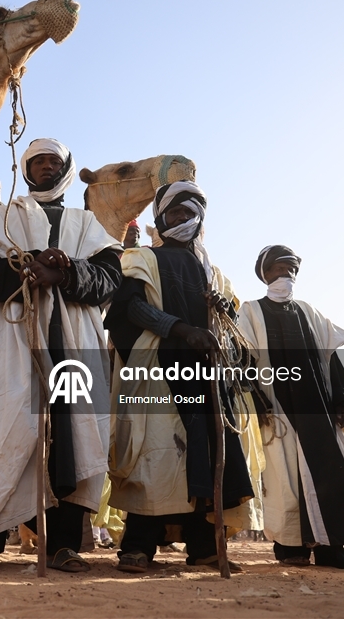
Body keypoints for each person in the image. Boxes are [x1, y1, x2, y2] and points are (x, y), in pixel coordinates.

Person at [0, 138, 122, 573]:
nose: (45, 168)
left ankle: (63, 544)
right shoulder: (6, 219)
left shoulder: (87, 224)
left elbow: (110, 280)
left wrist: (67, 271)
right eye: (36, 163)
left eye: (53, 162)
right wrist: (29, 266)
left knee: (72, 437)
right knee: (0, 431)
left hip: (74, 341)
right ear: (27, 169)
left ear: (67, 169)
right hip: (14, 342)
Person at [105, 181, 254, 574]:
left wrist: (225, 315)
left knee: (205, 456)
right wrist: (180, 329)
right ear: (161, 218)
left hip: (207, 377)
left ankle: (204, 547)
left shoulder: (215, 274)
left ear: (200, 218)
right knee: (157, 457)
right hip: (158, 371)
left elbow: (232, 330)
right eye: (175, 214)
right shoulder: (143, 259)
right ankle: (137, 547)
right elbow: (130, 309)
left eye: (190, 214)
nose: (183, 220)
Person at [236, 245, 344, 568]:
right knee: (285, 479)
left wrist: (342, 401)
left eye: (292, 269)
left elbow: (331, 360)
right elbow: (241, 359)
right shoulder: (250, 312)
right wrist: (257, 402)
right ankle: (291, 549)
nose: (287, 275)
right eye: (280, 269)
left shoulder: (309, 312)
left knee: (329, 474)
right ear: (265, 273)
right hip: (277, 413)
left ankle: (331, 550)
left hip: (318, 412)